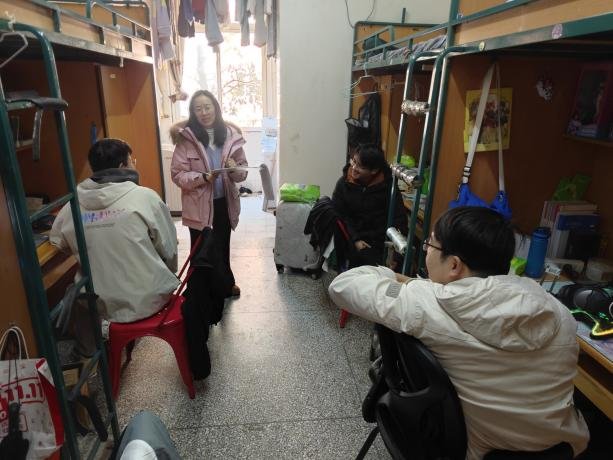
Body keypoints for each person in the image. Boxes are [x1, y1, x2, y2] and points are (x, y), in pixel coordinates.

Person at [328, 206, 589, 459]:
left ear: (454, 265)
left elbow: (344, 285)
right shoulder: (558, 311)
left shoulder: (422, 303)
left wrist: (392, 277)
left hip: (478, 451)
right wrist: (418, 284)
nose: (426, 250)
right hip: (559, 446)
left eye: (430, 244)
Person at [51, 138, 179, 327]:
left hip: (98, 303)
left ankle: (96, 342)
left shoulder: (73, 204)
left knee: (76, 293)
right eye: (132, 161)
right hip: (148, 299)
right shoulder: (145, 197)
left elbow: (58, 242)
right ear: (122, 166)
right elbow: (169, 251)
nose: (134, 165)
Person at [170, 90, 248, 297]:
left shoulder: (231, 136)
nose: (204, 112)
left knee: (222, 244)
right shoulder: (186, 138)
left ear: (215, 108)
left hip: (224, 201)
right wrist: (203, 178)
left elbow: (242, 173)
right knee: (200, 248)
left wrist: (233, 168)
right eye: (198, 109)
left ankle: (225, 283)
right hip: (198, 204)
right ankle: (198, 290)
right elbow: (178, 175)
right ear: (193, 113)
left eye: (207, 107)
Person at [332, 143, 407, 268]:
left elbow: (399, 219)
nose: (354, 168)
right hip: (353, 238)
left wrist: (396, 254)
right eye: (353, 161)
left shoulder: (388, 187)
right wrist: (355, 239)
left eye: (360, 166)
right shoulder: (344, 184)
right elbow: (340, 215)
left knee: (388, 268)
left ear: (374, 170)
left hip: (381, 242)